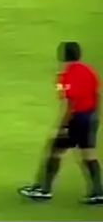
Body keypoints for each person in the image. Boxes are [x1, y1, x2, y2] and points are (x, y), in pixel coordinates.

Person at [19, 42, 102, 204]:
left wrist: (63, 126)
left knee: (54, 151)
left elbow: (70, 104)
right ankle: (99, 192)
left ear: (62, 56)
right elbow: (97, 93)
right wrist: (96, 116)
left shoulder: (66, 75)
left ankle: (44, 190)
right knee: (88, 154)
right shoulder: (89, 71)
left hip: (76, 119)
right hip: (90, 116)